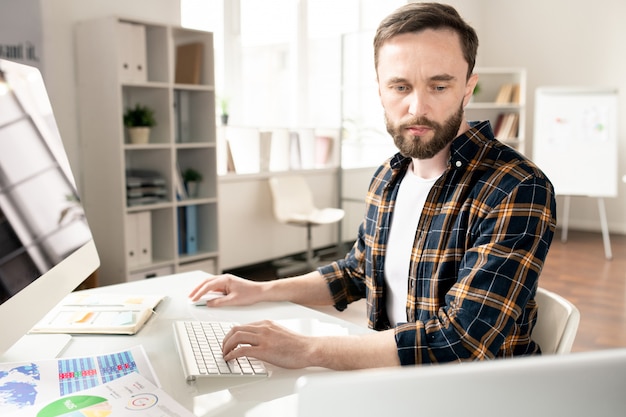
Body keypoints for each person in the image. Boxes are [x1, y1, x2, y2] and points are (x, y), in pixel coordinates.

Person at [189, 2, 556, 370]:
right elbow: (357, 272)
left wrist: (308, 349)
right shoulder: (388, 176)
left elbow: (460, 342)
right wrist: (259, 289)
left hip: (474, 394)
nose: (417, 107)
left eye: (439, 86)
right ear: (380, 91)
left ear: (467, 88)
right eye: (400, 86)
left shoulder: (516, 187)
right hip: (390, 378)